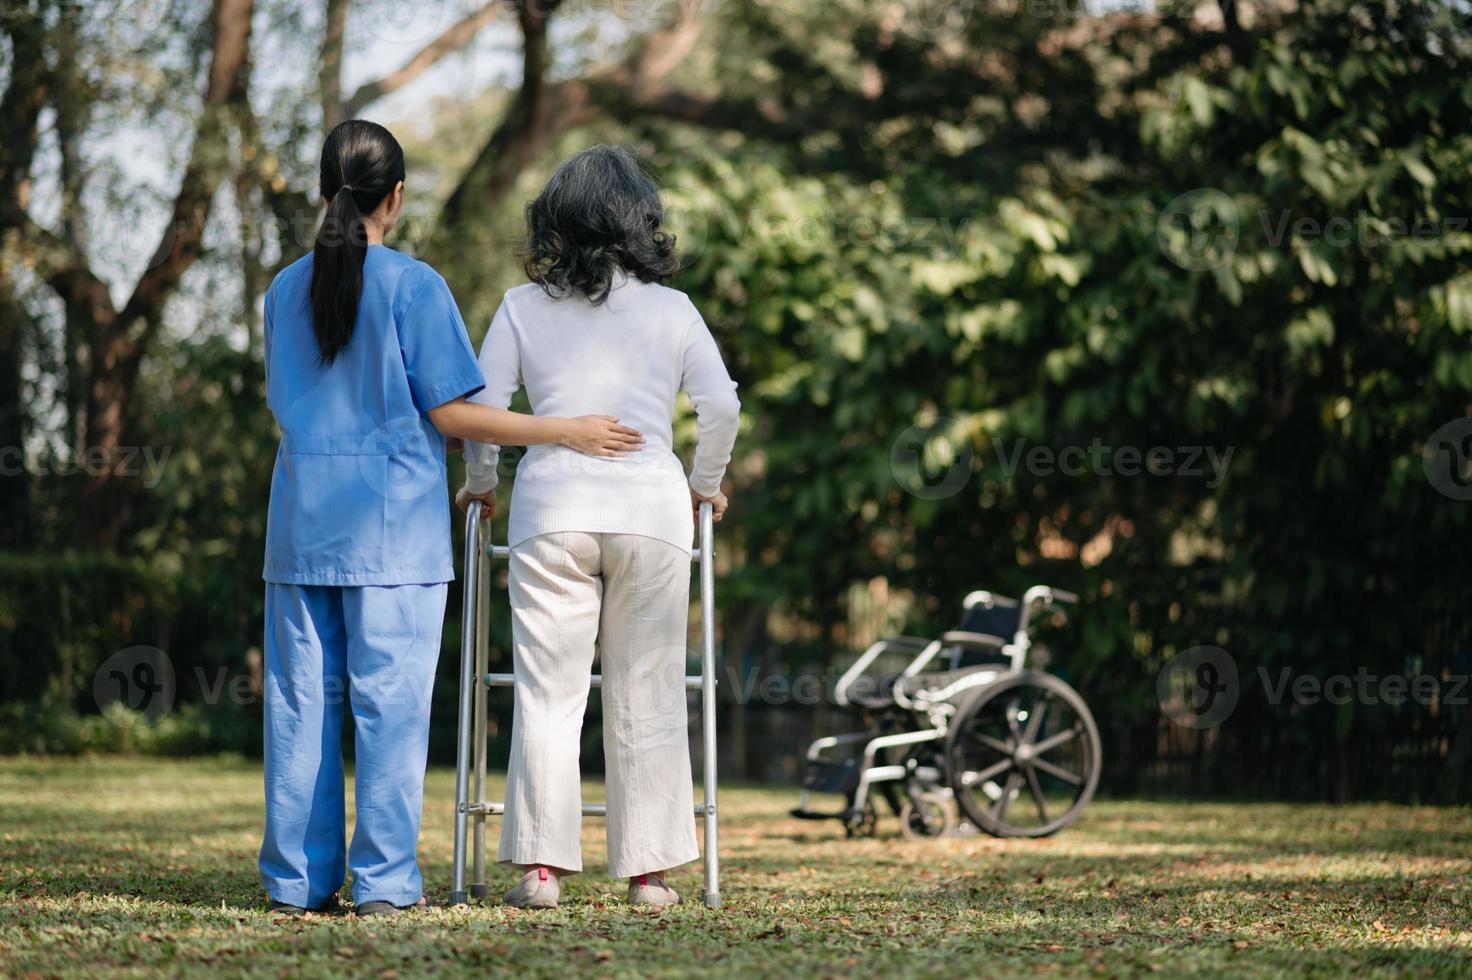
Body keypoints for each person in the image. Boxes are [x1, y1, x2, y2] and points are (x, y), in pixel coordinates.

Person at [259, 121, 643, 918]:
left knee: (303, 711)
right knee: (389, 713)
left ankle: (297, 883)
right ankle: (386, 885)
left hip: (301, 532)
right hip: (393, 539)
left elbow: (287, 406)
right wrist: (564, 429)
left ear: (322, 190)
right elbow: (455, 413)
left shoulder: (281, 290)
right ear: (394, 197)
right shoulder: (412, 286)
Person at [458, 144, 740, 909]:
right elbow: (722, 409)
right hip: (651, 512)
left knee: (548, 694)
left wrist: (482, 486)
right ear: (637, 220)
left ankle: (541, 871)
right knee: (646, 690)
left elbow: (483, 414)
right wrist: (702, 487)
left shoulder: (522, 308)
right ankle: (649, 875)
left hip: (553, 511)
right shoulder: (673, 310)